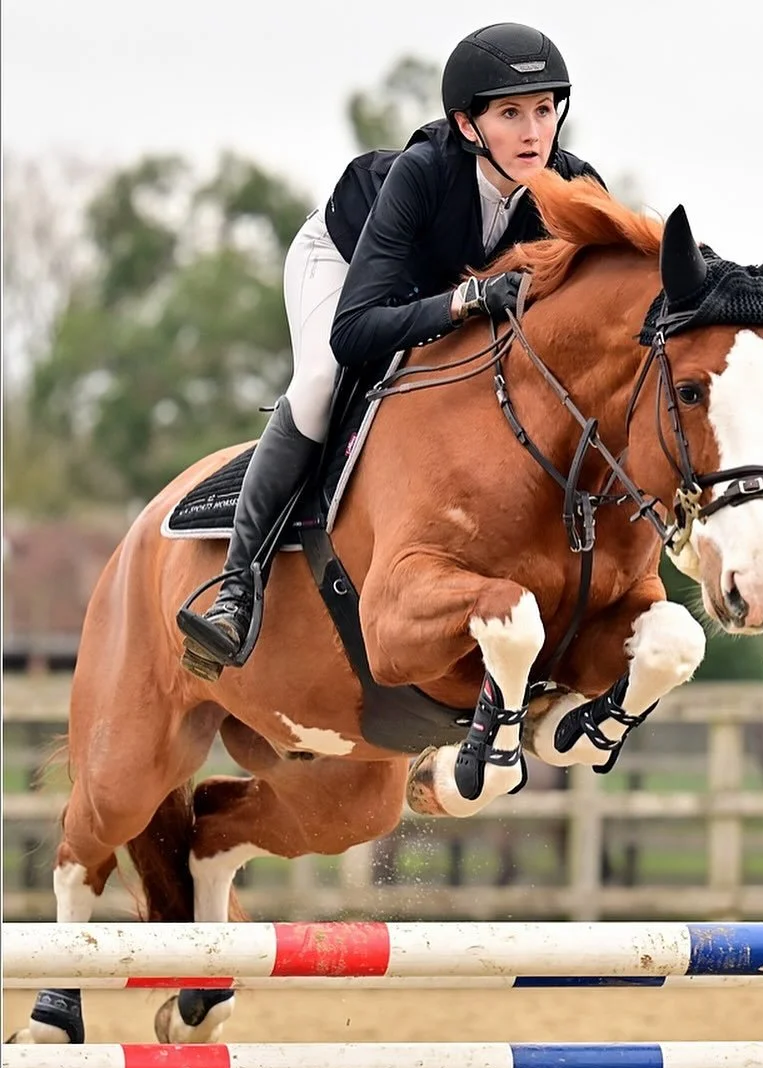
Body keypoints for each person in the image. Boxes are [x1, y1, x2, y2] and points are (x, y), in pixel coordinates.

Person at [178, 22, 606, 679]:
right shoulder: (423, 172)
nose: (533, 132)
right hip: (346, 261)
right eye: (512, 114)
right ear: (468, 126)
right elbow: (355, 331)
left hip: (436, 288)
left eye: (545, 111)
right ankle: (236, 591)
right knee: (323, 380)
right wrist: (463, 303)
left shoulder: (572, 185)